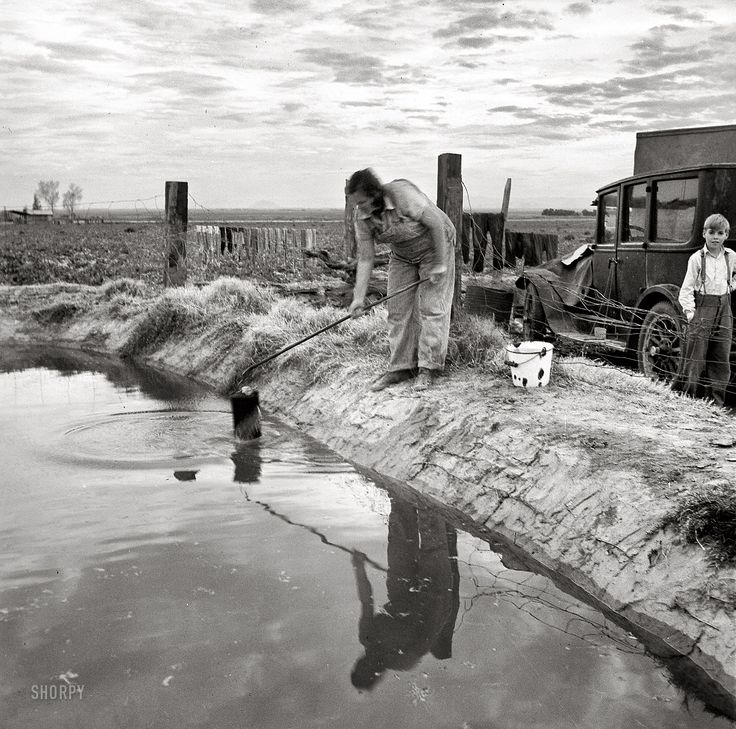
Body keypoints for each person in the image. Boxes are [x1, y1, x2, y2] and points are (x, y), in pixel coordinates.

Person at [346, 169, 456, 391]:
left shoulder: (402, 194)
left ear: (375, 193)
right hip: (403, 255)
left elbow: (435, 223)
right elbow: (366, 258)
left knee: (432, 307)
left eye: (363, 202)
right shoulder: (362, 217)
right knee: (397, 309)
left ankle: (428, 368)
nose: (360, 208)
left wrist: (440, 264)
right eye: (356, 204)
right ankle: (401, 368)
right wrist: (359, 298)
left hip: (434, 246)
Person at [349, 497, 459, 691]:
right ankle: (430, 495)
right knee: (433, 538)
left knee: (399, 535)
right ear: (378, 674)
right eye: (369, 669)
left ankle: (401, 495)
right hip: (432, 601)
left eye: (363, 664)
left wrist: (359, 567)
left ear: (360, 661)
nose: (369, 662)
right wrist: (436, 597)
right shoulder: (404, 660)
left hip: (400, 594)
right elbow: (432, 627)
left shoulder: (366, 636)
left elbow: (366, 601)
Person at [678, 213, 736, 406]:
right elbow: (686, 290)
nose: (715, 237)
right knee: (696, 357)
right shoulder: (696, 259)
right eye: (711, 232)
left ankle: (715, 404)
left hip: (725, 308)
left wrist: (730, 287)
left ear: (726, 235)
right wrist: (690, 313)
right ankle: (689, 399)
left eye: (720, 233)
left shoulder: (732, 256)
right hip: (703, 308)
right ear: (704, 233)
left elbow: (734, 278)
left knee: (721, 357)